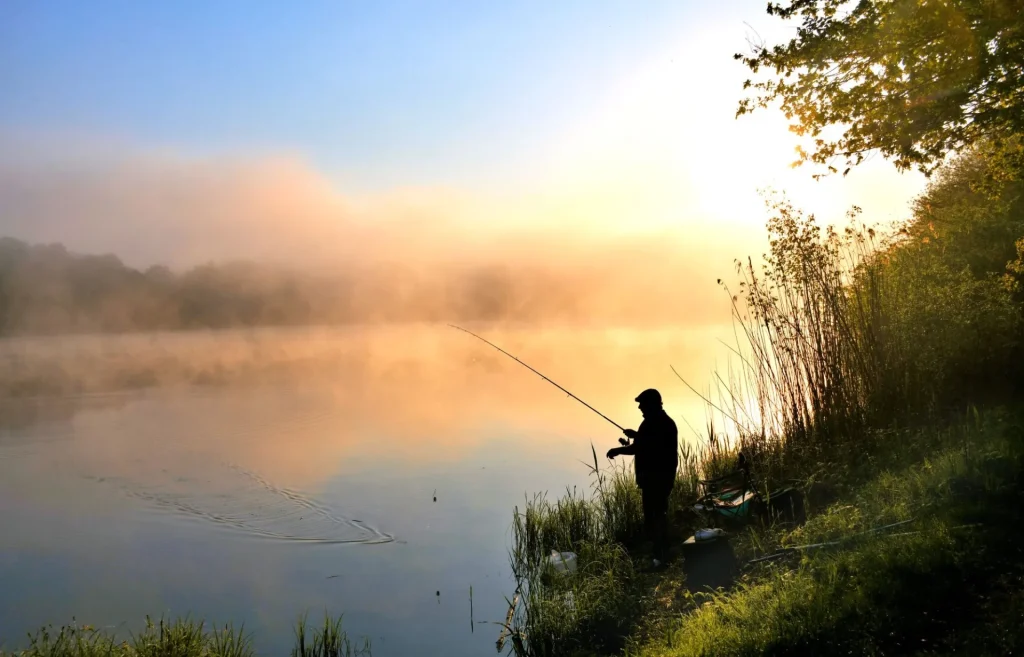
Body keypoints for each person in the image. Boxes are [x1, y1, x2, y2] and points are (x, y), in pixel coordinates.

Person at [606, 388, 678, 566]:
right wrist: (637, 436)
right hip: (661, 477)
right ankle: (661, 553)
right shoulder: (661, 422)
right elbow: (650, 442)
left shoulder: (653, 424)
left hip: (656, 479)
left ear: (651, 404)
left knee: (655, 516)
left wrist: (618, 450)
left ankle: (661, 557)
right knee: (658, 514)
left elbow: (642, 447)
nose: (640, 408)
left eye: (642, 404)